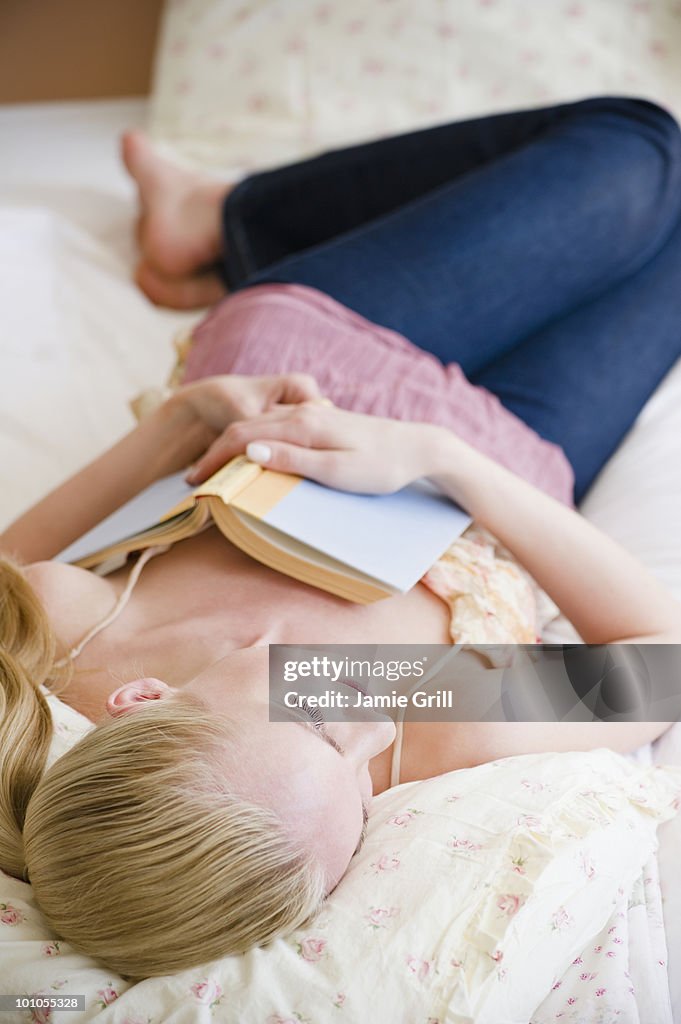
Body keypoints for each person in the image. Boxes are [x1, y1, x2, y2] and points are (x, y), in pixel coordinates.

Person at [1, 96, 680, 981]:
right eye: (361, 800)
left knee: (637, 153)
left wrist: (179, 423)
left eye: (319, 724)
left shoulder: (77, 638)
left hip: (318, 369)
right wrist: (446, 460)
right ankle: (214, 228)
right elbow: (659, 667)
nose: (367, 733)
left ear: (141, 697)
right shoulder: (404, 722)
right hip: (502, 457)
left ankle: (221, 217)